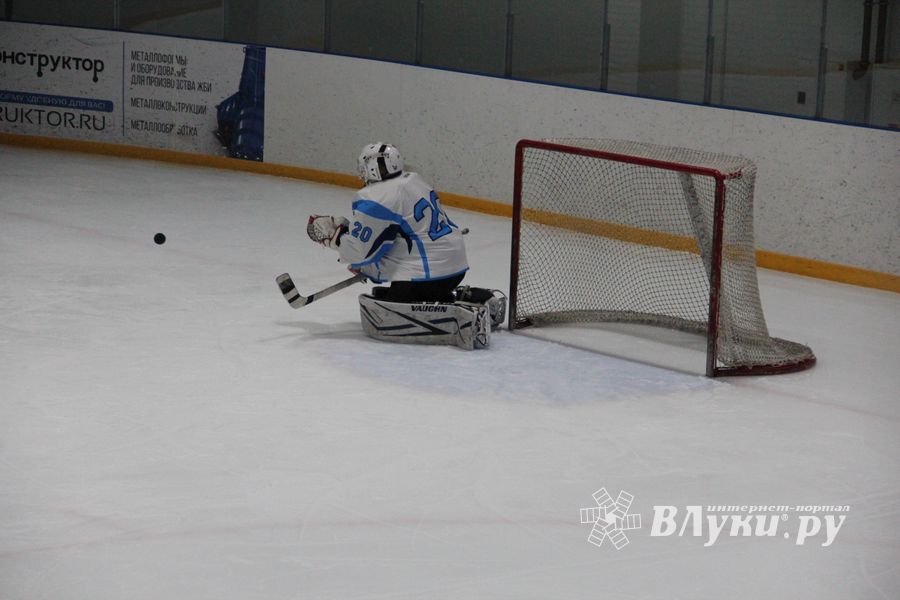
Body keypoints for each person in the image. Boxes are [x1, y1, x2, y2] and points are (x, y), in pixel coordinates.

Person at [307, 142, 469, 302]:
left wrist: (334, 239)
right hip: (456, 265)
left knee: (382, 309)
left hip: (427, 276)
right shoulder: (413, 179)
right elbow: (393, 236)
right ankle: (470, 296)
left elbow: (361, 253)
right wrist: (351, 233)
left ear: (370, 169)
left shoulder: (376, 197)